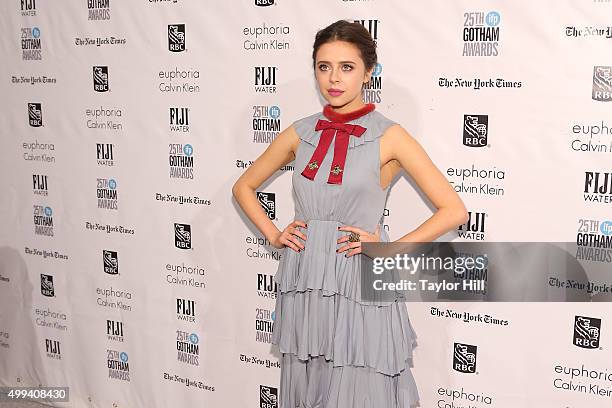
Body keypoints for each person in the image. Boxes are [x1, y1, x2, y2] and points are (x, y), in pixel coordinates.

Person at [233, 19, 468, 408]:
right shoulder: (300, 132)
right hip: (306, 275)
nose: (334, 78)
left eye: (347, 67)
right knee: (310, 378)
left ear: (368, 71)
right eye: (324, 67)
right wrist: (274, 234)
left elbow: (454, 210)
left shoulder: (389, 135)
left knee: (363, 383)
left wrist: (391, 250)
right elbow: (244, 186)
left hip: (359, 278)